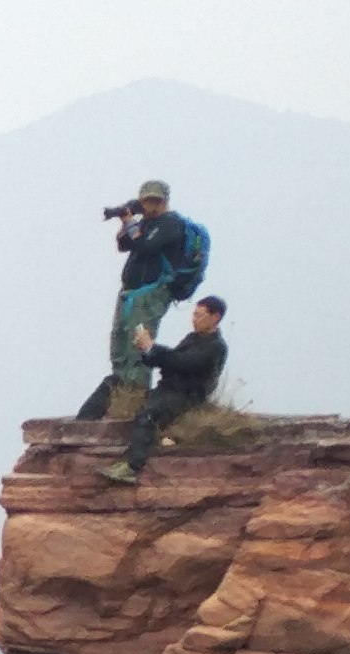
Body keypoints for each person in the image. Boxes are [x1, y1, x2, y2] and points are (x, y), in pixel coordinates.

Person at [83, 181, 209, 419]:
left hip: (150, 294)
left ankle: (135, 399)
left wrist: (131, 223)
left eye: (153, 200)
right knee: (120, 342)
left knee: (138, 345)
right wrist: (125, 222)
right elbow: (125, 245)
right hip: (131, 292)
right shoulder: (147, 223)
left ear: (163, 200)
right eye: (145, 200)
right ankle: (122, 394)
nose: (148, 205)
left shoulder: (171, 224)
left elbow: (146, 244)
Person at [103, 296, 229, 483]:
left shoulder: (216, 347)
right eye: (194, 315)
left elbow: (184, 362)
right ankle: (87, 424)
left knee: (148, 417)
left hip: (187, 395)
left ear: (215, 317)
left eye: (200, 316)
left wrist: (153, 348)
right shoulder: (192, 338)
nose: (194, 319)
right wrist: (147, 351)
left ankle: (132, 468)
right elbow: (172, 360)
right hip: (167, 389)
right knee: (110, 387)